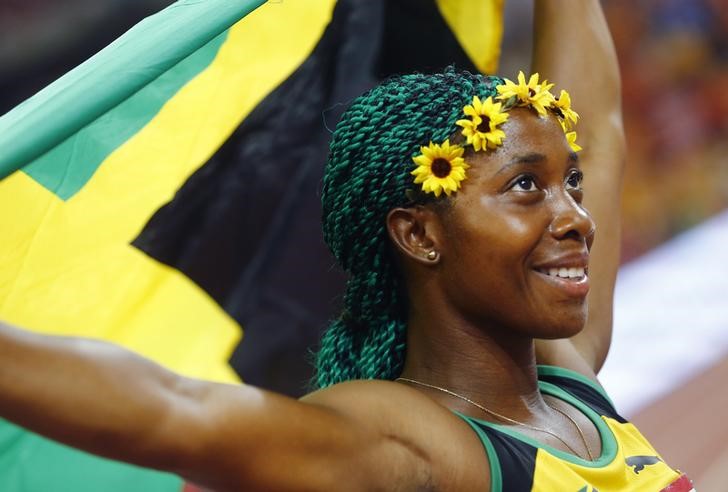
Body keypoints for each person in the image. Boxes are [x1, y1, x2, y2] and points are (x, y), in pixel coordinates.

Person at [0, 1, 695, 491]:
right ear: (419, 235)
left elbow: (597, 134)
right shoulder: (418, 449)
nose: (576, 215)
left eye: (569, 183)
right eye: (525, 186)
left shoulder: (570, 386)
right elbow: (175, 408)